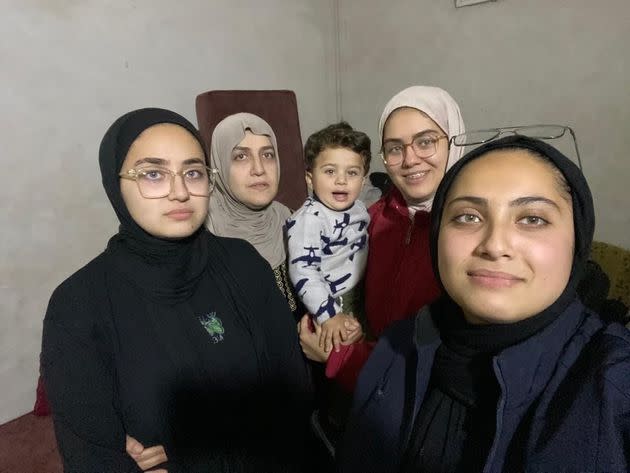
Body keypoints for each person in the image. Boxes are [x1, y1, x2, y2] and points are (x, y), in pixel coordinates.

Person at [41, 108, 314, 473]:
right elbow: (93, 457)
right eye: (153, 174)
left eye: (193, 172)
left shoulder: (244, 263)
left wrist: (189, 451)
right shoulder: (78, 305)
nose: (180, 191)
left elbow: (295, 395)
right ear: (115, 182)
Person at [339, 135, 630, 473]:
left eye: (532, 219)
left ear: (577, 241)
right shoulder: (400, 344)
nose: (494, 245)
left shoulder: (613, 385)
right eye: (468, 217)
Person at [299, 86, 466, 392]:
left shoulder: (470, 233)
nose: (410, 159)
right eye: (394, 148)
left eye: (426, 142)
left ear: (454, 140)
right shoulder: (372, 218)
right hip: (364, 396)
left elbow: (445, 359)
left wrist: (342, 357)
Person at [206, 112, 301, 319]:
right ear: (219, 166)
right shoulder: (203, 239)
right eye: (241, 156)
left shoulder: (294, 220)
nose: (259, 169)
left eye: (267, 155)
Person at [287, 122, 370, 353]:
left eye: (352, 172)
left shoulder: (360, 208)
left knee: (361, 348)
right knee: (337, 354)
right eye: (330, 171)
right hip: (330, 298)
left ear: (363, 181)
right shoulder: (310, 219)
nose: (341, 180)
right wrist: (329, 313)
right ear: (310, 178)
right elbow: (303, 269)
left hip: (360, 291)